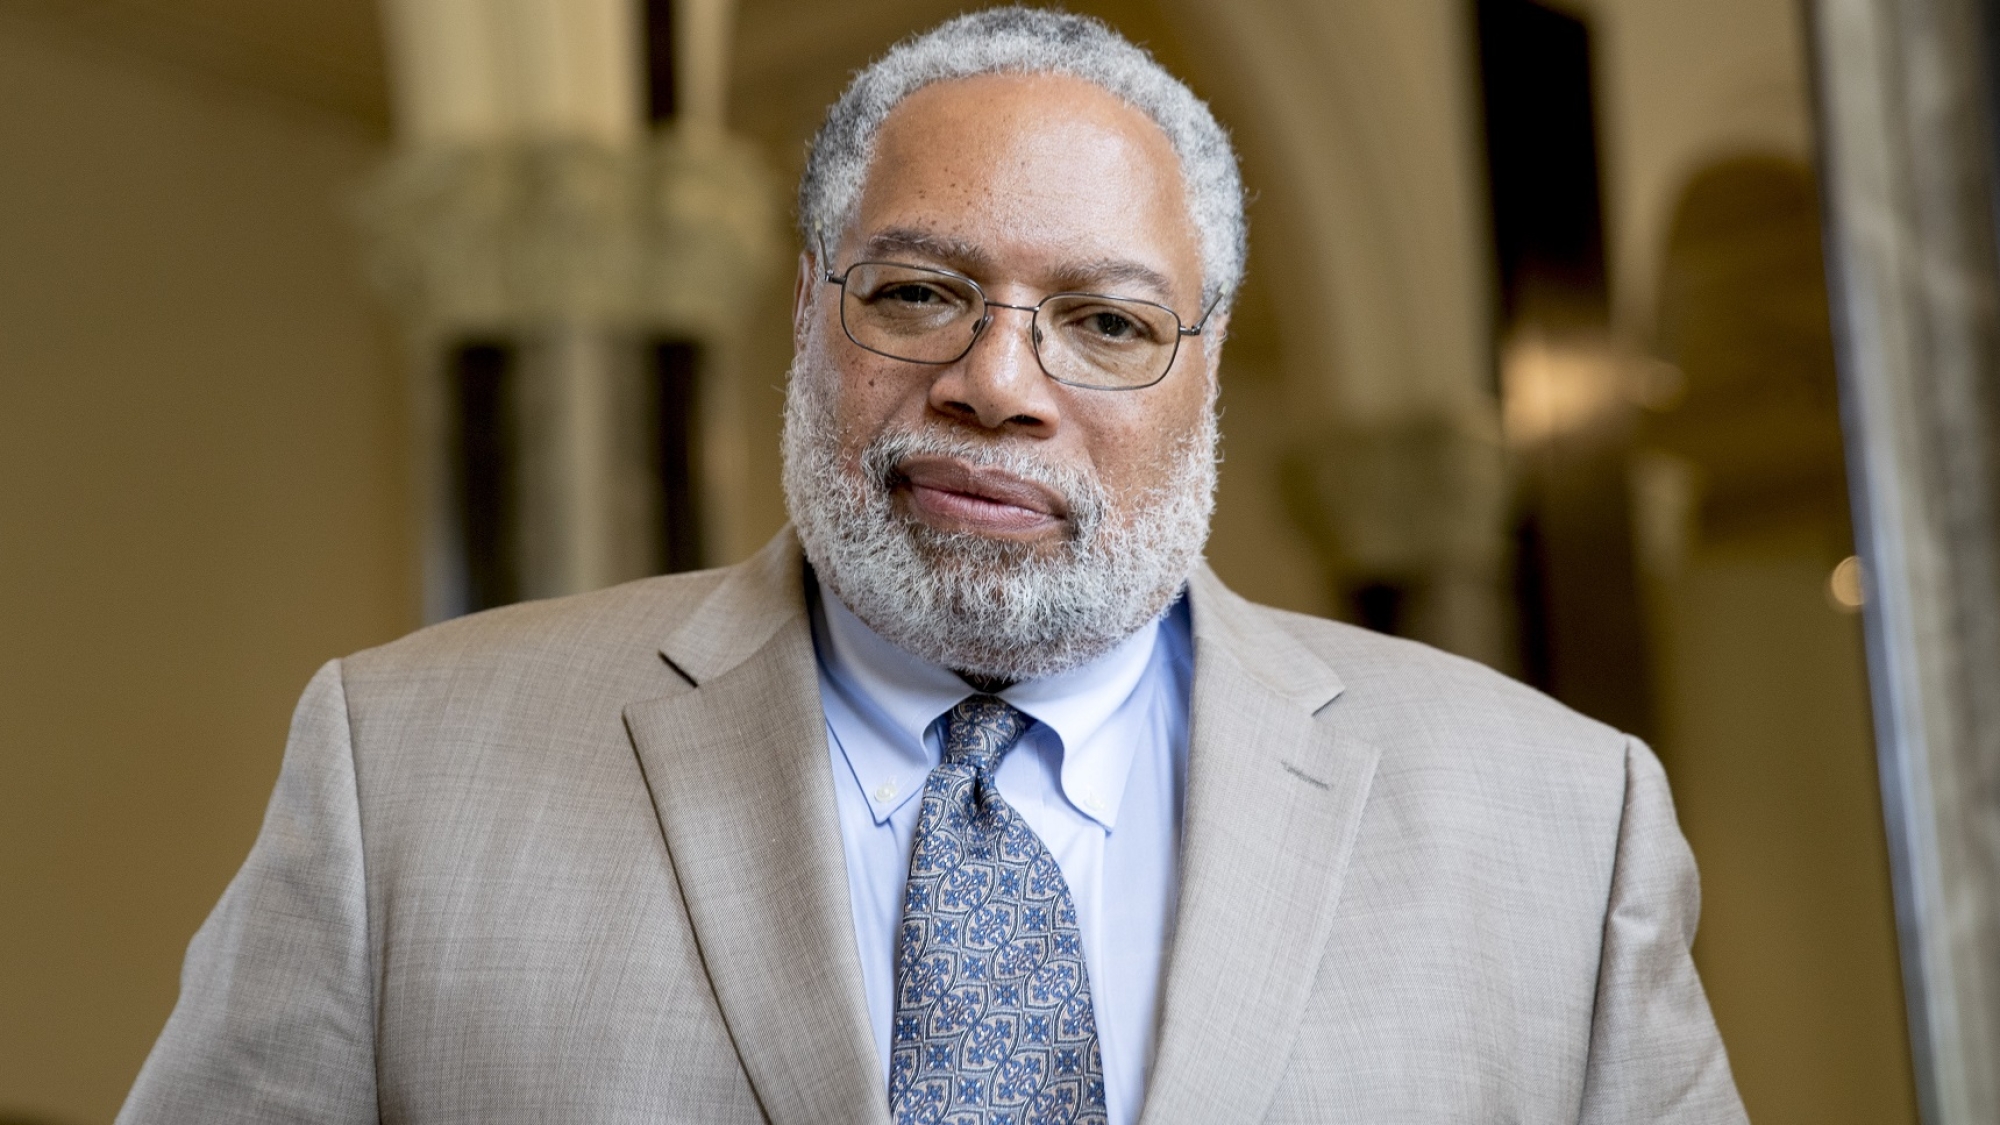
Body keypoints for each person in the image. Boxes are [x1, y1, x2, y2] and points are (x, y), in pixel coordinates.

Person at [118, 8, 1747, 1124]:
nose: (1000, 381)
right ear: (815, 307)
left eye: (1107, 322)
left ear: (1209, 366)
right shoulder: (401, 772)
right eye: (917, 294)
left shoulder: (1562, 826)